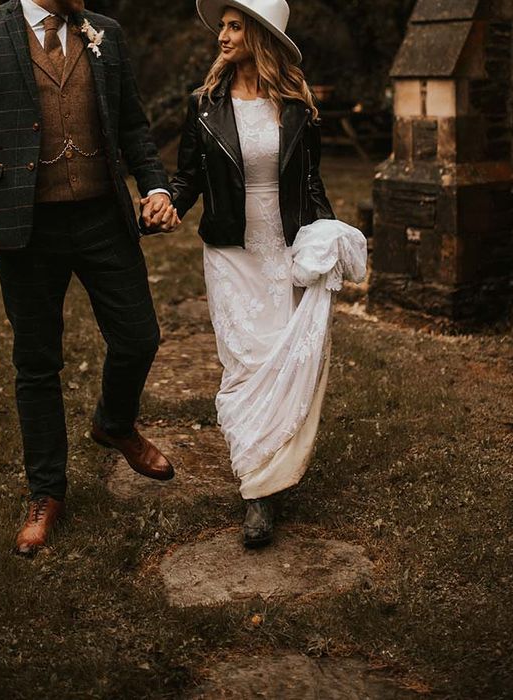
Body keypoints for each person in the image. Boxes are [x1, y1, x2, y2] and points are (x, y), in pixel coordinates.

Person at [0, 0, 180, 556]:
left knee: (140, 337)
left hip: (101, 218)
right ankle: (47, 494)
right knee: (37, 362)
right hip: (24, 227)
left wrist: (157, 187)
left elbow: (134, 125)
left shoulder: (105, 33)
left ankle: (114, 423)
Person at [167, 0, 366, 547]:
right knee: (244, 364)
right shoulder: (204, 105)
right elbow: (188, 177)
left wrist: (323, 237)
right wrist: (168, 205)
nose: (222, 36)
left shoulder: (297, 106)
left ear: (259, 37)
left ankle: (269, 481)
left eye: (234, 27)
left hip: (284, 249)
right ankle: (256, 492)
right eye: (224, 27)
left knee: (284, 361)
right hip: (231, 252)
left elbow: (311, 183)